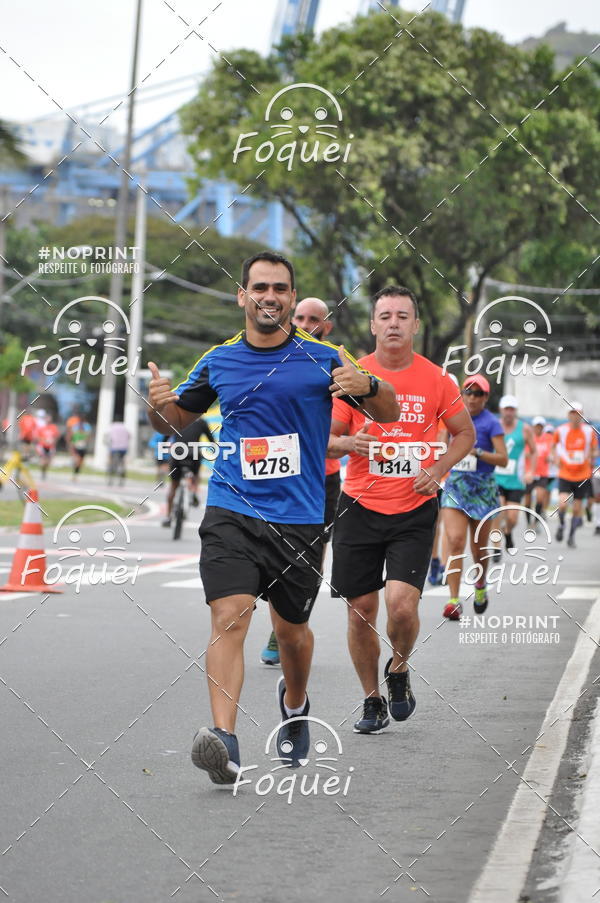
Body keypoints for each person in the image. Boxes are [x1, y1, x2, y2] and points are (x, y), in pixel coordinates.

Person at [146, 251, 399, 783]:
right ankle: (225, 740)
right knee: (230, 615)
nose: (269, 296)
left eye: (280, 289)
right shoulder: (219, 360)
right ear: (242, 296)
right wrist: (158, 404)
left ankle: (296, 703)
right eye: (259, 287)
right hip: (232, 506)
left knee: (291, 632)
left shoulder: (323, 355)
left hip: (300, 516)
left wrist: (370, 387)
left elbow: (389, 411)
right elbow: (177, 421)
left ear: (291, 297)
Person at [327, 285, 475, 734]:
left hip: (414, 508)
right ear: (373, 325)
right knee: (360, 610)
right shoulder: (352, 376)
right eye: (385, 315)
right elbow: (326, 437)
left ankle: (400, 667)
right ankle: (371, 700)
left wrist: (439, 469)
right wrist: (350, 443)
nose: (393, 323)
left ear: (415, 325)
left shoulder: (437, 380)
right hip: (358, 505)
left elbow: (463, 434)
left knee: (402, 608)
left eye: (402, 316)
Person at [260, 297, 341, 666]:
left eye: (315, 320)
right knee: (272, 553)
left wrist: (345, 443)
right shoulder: (271, 357)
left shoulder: (333, 363)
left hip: (322, 480)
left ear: (327, 327)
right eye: (300, 317)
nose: (306, 324)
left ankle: (294, 620)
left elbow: (350, 421)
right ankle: (279, 628)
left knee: (310, 557)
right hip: (277, 476)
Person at [440, 375, 507, 620]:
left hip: (482, 488)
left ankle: (480, 585)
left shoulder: (491, 423)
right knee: (455, 540)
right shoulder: (452, 416)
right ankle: (454, 600)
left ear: (486, 398)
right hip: (456, 485)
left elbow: (503, 459)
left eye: (478, 393)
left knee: (479, 549)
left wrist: (477, 451)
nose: (471, 397)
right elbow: (440, 446)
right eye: (468, 392)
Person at [493, 395, 536, 556]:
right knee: (498, 510)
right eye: (506, 409)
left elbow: (534, 451)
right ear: (501, 410)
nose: (509, 412)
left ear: (515, 411)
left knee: (513, 518)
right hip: (496, 477)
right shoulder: (494, 426)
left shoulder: (524, 429)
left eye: (512, 409)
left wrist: (531, 470)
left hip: (516, 480)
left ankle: (508, 532)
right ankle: (496, 545)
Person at [553, 402, 598, 548]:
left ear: (582, 415)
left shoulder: (588, 432)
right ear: (568, 415)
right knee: (562, 503)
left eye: (578, 413)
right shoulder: (560, 430)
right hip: (565, 472)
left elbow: (595, 450)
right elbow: (553, 447)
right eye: (572, 413)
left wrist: (592, 456)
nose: (575, 416)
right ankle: (561, 525)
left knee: (577, 509)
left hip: (582, 474)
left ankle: (571, 536)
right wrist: (555, 459)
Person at [160, 416, 214, 527]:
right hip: (193, 453)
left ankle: (168, 517)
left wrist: (163, 454)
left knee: (174, 486)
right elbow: (211, 440)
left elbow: (165, 439)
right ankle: (194, 492)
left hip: (177, 453)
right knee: (196, 474)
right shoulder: (202, 422)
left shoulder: (176, 420)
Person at [525, 416, 554, 520]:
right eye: (537, 426)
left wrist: (551, 456)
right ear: (533, 427)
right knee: (527, 500)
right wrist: (531, 455)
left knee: (540, 497)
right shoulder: (529, 437)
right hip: (529, 472)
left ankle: (536, 521)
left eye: (541, 426)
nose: (539, 428)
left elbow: (551, 451)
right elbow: (525, 453)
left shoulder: (548, 438)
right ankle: (528, 521)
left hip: (542, 473)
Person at [35, 411, 60, 479]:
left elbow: (56, 436)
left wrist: (53, 441)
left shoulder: (54, 427)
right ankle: (43, 472)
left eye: (49, 418)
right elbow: (38, 437)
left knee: (48, 462)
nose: (48, 419)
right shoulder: (42, 428)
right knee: (43, 460)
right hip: (43, 446)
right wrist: (44, 441)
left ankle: (44, 470)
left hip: (50, 446)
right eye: (46, 418)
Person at [106, 421, 130, 486]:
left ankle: (110, 479)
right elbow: (129, 436)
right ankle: (121, 479)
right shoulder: (125, 428)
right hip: (123, 448)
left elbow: (108, 437)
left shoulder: (112, 427)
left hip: (114, 447)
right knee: (122, 462)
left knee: (112, 462)